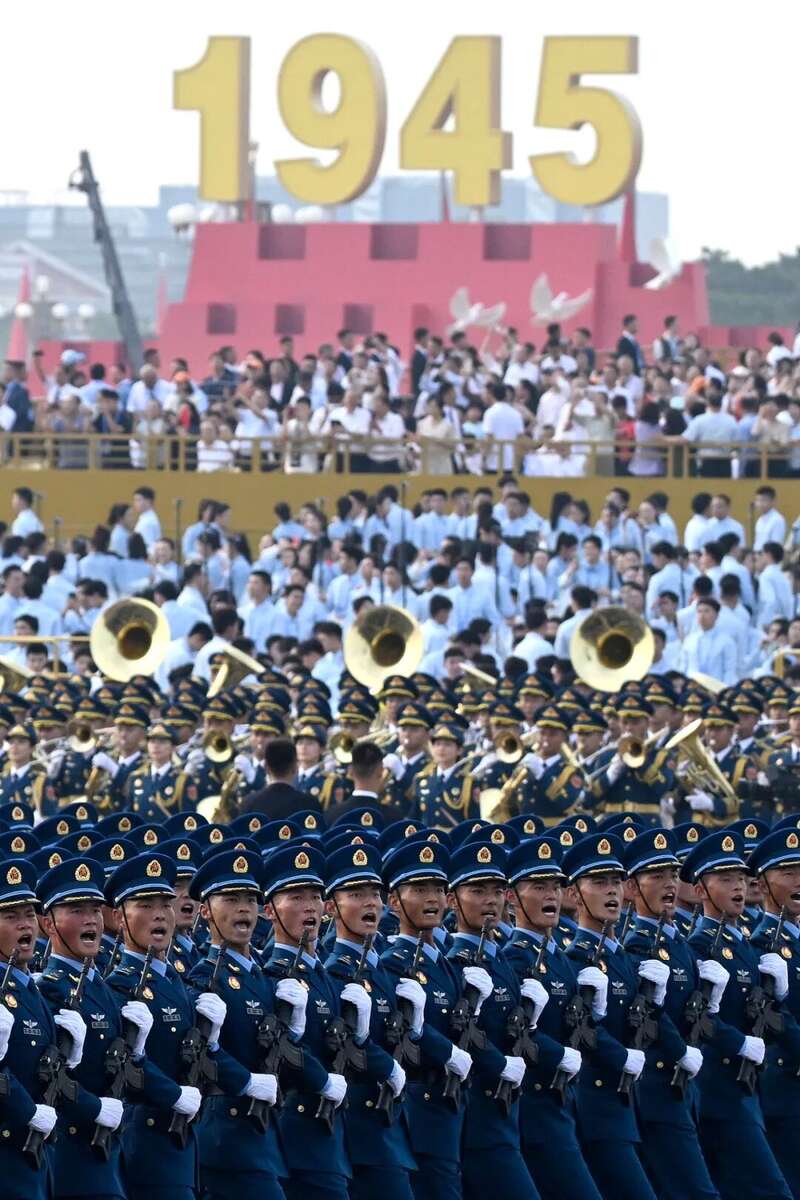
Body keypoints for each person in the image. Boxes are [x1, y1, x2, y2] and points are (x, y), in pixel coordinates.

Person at [683, 831, 793, 1200]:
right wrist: (739, 1043)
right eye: (726, 879)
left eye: (741, 879)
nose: (738, 887)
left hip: (749, 1091)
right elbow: (697, 1019)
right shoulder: (699, 946)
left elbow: (760, 1015)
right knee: (771, 1189)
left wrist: (778, 997)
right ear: (701, 890)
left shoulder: (744, 945)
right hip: (719, 1089)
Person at [323, 842, 415, 1200]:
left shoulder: (381, 968)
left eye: (375, 894)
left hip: (388, 1123)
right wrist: (385, 1065)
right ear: (332, 907)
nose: (370, 904)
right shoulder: (337, 970)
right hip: (361, 1124)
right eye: (356, 895)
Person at [261, 843, 351, 1200]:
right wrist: (322, 1079)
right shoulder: (275, 975)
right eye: (296, 897)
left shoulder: (322, 972)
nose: (310, 906)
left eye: (315, 897)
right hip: (299, 1128)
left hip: (331, 1134)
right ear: (270, 910)